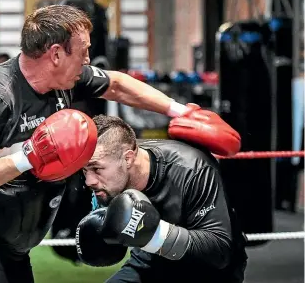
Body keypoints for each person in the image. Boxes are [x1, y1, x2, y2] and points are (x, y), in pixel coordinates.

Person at [0, 5, 240, 283]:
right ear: (56, 54)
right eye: (84, 50)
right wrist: (27, 157)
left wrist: (182, 111)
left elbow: (117, 84)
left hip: (8, 235)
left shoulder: (64, 81)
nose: (88, 59)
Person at [76, 115, 248, 283]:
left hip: (208, 273)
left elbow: (219, 250)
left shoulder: (192, 170)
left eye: (96, 169)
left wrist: (154, 236)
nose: (89, 181)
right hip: (150, 263)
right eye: (85, 170)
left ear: (128, 159)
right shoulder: (112, 169)